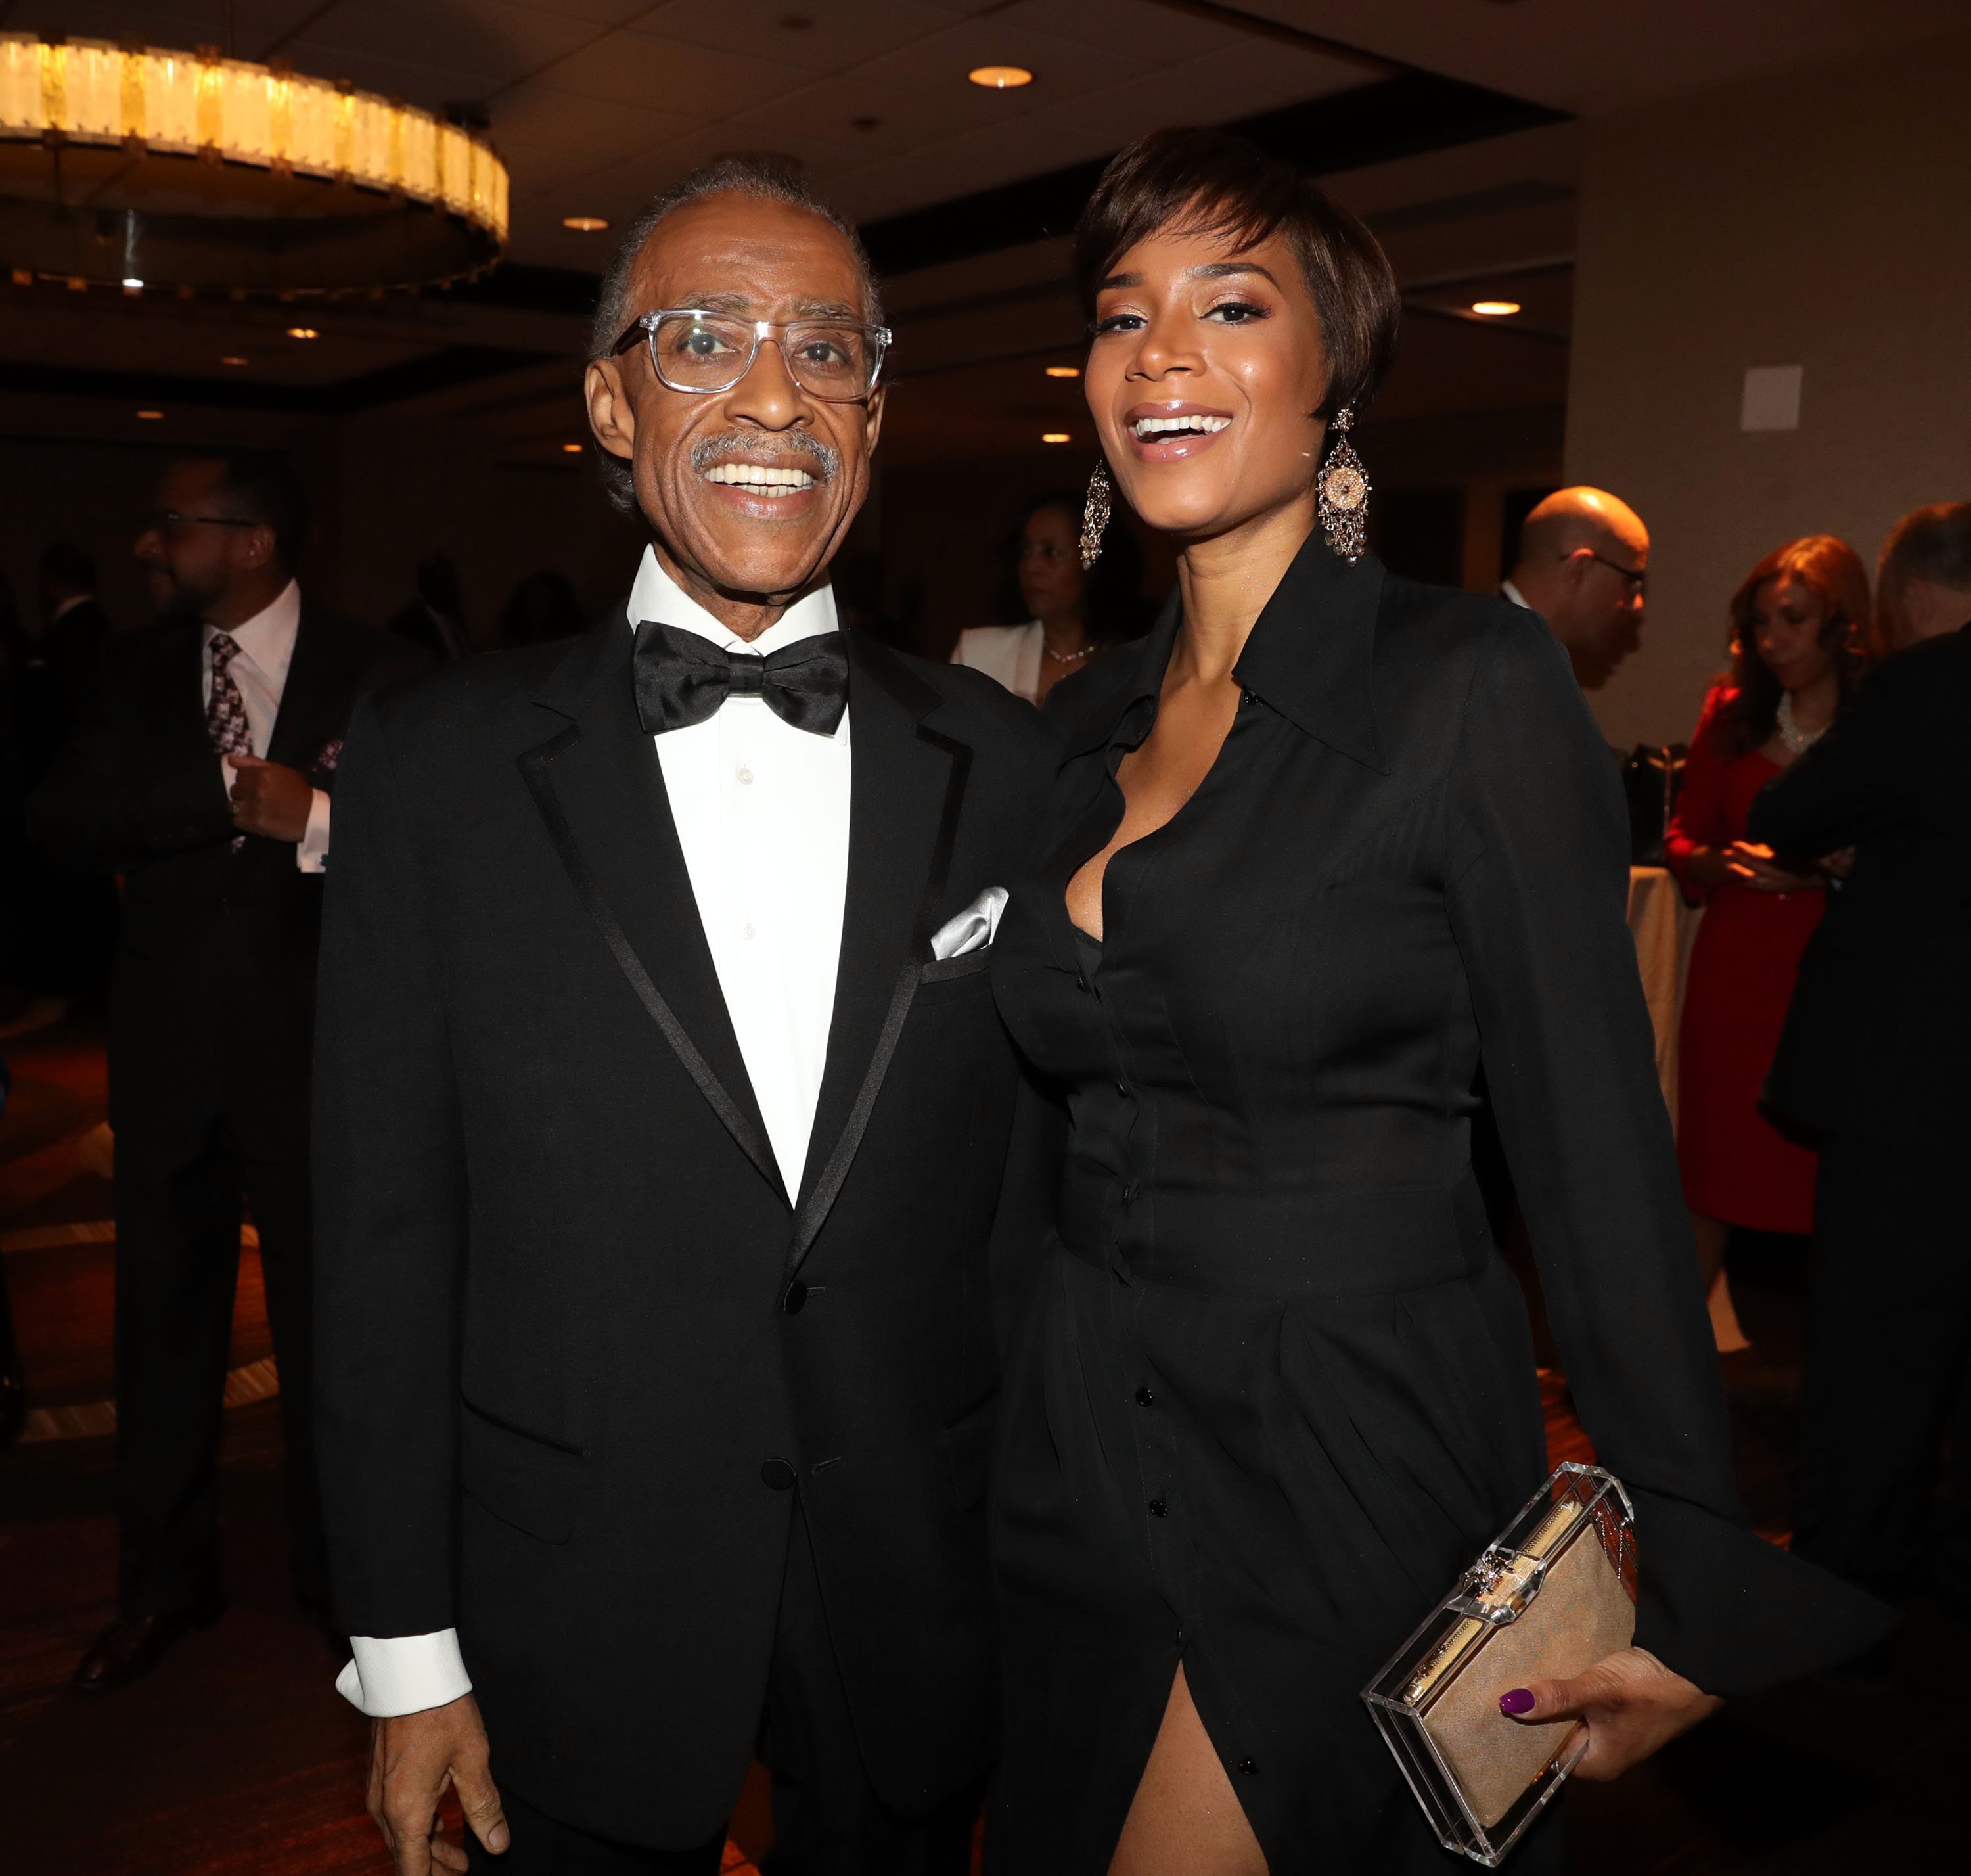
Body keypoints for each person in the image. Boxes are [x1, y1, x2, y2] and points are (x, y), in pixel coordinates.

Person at [982, 127, 1888, 1876]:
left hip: (1343, 1437)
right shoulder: (1072, 734)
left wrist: (1687, 1569)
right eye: (1119, 314)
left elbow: (1595, 1150)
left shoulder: (1465, 683)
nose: (1157, 352)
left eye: (1228, 304)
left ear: (1337, 378)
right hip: (1080, 1443)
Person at [313, 156, 1054, 1876]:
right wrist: (408, 1650)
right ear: (607, 396)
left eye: (826, 348)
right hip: (567, 1589)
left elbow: (1030, 1220)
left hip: (915, 1579)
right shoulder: (440, 762)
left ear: (875, 407)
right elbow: (380, 1238)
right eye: (703, 338)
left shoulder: (1009, 763)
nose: (774, 395)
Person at [28, 449, 426, 1691]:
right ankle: (160, 1584)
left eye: (173, 526)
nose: (150, 547)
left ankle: (339, 1587)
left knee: (331, 1341)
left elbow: (440, 857)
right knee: (162, 1330)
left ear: (251, 542)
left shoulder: (384, 672)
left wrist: (307, 817)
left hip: (320, 1065)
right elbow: (59, 820)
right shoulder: (131, 670)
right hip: (161, 1063)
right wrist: (218, 791)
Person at [1749, 501, 1971, 1610]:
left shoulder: (1924, 684)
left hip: (1915, 1078)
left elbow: (1793, 809)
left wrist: (1858, 844)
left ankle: (1845, 1593)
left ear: (1915, 594)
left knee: (1878, 1348)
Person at [1663, 537, 1872, 1298]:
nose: (1773, 640)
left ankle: (1840, 1397)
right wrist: (1715, 865)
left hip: (1835, 978)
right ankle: (1667, 1394)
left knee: (1838, 1190)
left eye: (1795, 617)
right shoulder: (1731, 710)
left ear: (1843, 621)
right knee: (1712, 1182)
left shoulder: (1879, 716)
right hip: (1735, 973)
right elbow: (1682, 839)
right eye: (1760, 622)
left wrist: (1833, 866)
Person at [955, 492, 1148, 703]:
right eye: (1026, 551)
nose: (1030, 567)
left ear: (1096, 564)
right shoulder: (979, 656)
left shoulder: (1142, 662)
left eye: (1051, 552)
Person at [1501, 486, 1650, 688]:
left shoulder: (1529, 656)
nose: (1638, 605)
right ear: (1579, 569)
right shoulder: (1486, 661)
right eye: (1632, 582)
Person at [388, 554, 469, 660]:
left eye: (447, 580)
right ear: (423, 585)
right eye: (437, 580)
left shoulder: (455, 618)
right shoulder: (408, 624)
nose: (444, 586)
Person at [495, 566, 588, 647]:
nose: (538, 603)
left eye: (544, 596)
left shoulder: (570, 641)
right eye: (534, 595)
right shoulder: (512, 643)